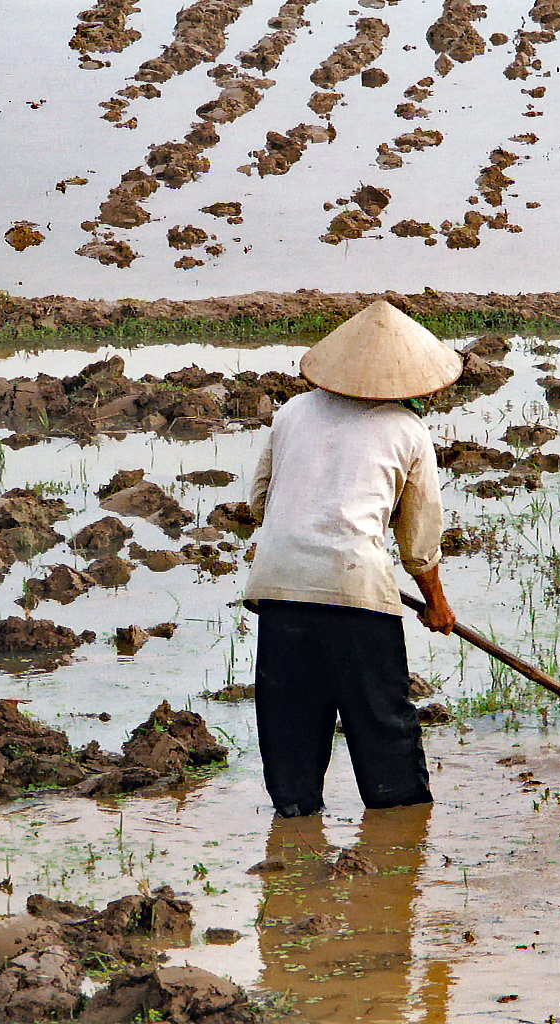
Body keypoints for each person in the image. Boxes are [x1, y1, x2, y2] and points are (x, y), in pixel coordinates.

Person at [245, 299, 459, 818]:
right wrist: (436, 603)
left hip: (279, 586)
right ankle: (401, 837)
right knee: (383, 724)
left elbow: (258, 502)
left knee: (290, 726)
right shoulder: (408, 430)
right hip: (356, 592)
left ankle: (294, 837)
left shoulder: (292, 412)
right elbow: (419, 542)